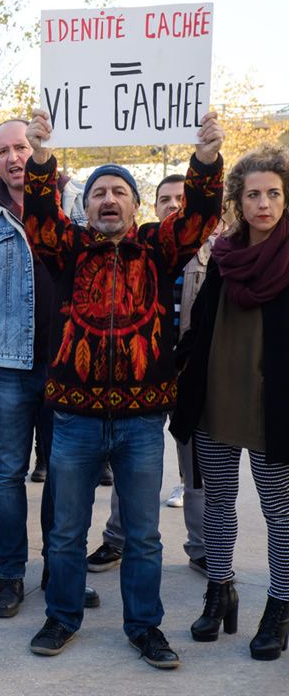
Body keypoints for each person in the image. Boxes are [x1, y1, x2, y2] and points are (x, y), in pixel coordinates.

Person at [23, 109, 224, 668]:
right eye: (98, 193)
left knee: (144, 536)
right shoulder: (68, 248)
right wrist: (41, 156)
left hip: (141, 423)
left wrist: (205, 157)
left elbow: (203, 215)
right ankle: (61, 618)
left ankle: (145, 627)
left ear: (135, 205)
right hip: (74, 420)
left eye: (119, 192)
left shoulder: (161, 248)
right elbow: (38, 217)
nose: (108, 200)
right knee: (65, 532)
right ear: (84, 207)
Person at [0, 119, 91, 620]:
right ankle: (11, 574)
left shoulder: (75, 206)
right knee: (7, 474)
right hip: (7, 370)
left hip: (68, 368)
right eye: (5, 150)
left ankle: (61, 569)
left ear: (39, 151)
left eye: (24, 147)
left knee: (66, 477)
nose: (15, 156)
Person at [170, 144, 289, 661]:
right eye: (253, 195)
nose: (263, 204)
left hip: (274, 406)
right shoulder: (223, 256)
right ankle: (220, 590)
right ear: (238, 202)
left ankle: (280, 606)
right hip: (217, 398)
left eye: (274, 193)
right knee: (217, 502)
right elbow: (200, 327)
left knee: (279, 513)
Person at [88, 173, 207, 576]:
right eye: (165, 199)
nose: (173, 205)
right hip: (146, 378)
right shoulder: (149, 249)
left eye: (180, 199)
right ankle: (116, 540)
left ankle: (202, 546)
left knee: (195, 467)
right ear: (151, 207)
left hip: (191, 373)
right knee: (132, 462)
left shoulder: (210, 253)